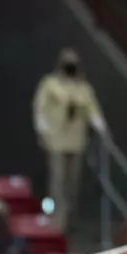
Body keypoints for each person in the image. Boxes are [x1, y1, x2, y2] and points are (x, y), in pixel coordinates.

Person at [33, 48, 107, 231]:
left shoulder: (83, 88)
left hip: (76, 142)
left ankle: (71, 221)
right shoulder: (50, 84)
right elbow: (39, 109)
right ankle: (56, 221)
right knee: (57, 181)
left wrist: (101, 127)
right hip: (56, 141)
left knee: (72, 184)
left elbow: (93, 111)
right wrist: (42, 131)